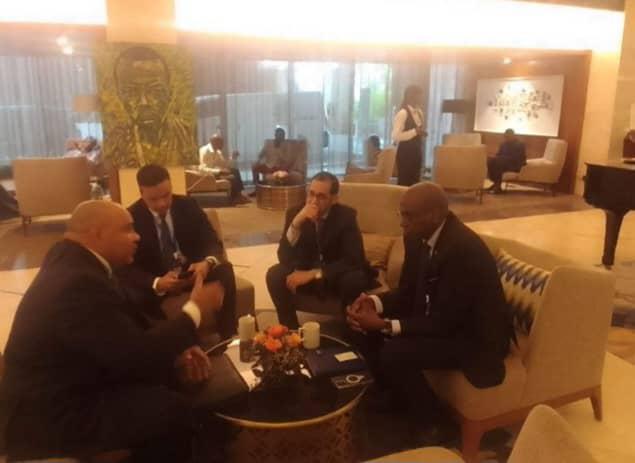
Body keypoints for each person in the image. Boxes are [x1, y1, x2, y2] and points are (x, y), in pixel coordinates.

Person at [0, 200, 224, 461]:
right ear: (97, 233)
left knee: (171, 384)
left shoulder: (73, 260)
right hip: (52, 417)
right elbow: (135, 357)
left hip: (74, 385)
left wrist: (180, 348)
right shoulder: (78, 281)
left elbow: (124, 328)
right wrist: (195, 311)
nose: (137, 236)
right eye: (127, 229)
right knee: (172, 410)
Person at [346, 182, 513, 444]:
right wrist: (373, 303)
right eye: (401, 213)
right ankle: (394, 395)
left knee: (396, 351)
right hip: (442, 320)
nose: (402, 222)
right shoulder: (417, 237)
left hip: (474, 337)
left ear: (435, 215)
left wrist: (385, 325)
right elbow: (408, 291)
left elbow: (446, 322)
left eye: (408, 215)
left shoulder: (462, 250)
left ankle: (434, 424)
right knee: (359, 328)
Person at [120, 164, 238, 341]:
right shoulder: (131, 217)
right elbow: (126, 267)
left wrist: (207, 262)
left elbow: (211, 240)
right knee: (133, 294)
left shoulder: (187, 205)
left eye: (166, 195)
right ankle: (173, 344)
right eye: (153, 199)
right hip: (158, 281)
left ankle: (229, 337)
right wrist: (157, 283)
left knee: (225, 270)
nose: (162, 203)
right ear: (141, 193)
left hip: (191, 273)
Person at [266, 172, 376, 329]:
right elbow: (283, 257)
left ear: (334, 199)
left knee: (354, 279)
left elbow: (354, 259)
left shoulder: (346, 216)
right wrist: (296, 224)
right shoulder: (295, 213)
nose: (313, 201)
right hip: (306, 273)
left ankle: (349, 329)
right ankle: (290, 330)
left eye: (321, 196)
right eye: (311, 194)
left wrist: (315, 273)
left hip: (334, 276)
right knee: (275, 274)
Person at [109, 46, 196, 167]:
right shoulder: (115, 144)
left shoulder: (185, 136)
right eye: (131, 93)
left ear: (170, 92)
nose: (144, 102)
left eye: (155, 91)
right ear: (120, 96)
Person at [392, 85, 428, 186]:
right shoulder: (402, 113)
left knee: (415, 182)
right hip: (405, 153)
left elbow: (416, 131)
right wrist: (414, 132)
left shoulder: (419, 112)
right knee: (404, 182)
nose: (422, 98)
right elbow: (395, 136)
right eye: (419, 95)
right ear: (411, 96)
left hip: (417, 151)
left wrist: (420, 133)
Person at [199, 134, 249, 204]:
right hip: (208, 175)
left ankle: (238, 195)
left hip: (216, 173)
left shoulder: (218, 152)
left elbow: (224, 164)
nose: (223, 145)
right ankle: (236, 197)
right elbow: (202, 169)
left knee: (235, 171)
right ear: (214, 142)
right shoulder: (204, 150)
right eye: (221, 142)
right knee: (232, 177)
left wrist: (233, 157)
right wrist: (219, 171)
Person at [487, 128, 527, 194]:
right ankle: (496, 183)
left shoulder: (520, 144)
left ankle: (497, 186)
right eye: (506, 136)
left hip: (515, 164)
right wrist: (495, 158)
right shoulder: (503, 144)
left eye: (508, 136)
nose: (507, 138)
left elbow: (518, 158)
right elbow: (498, 154)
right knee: (491, 161)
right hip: (503, 163)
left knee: (499, 162)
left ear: (513, 135)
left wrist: (502, 158)